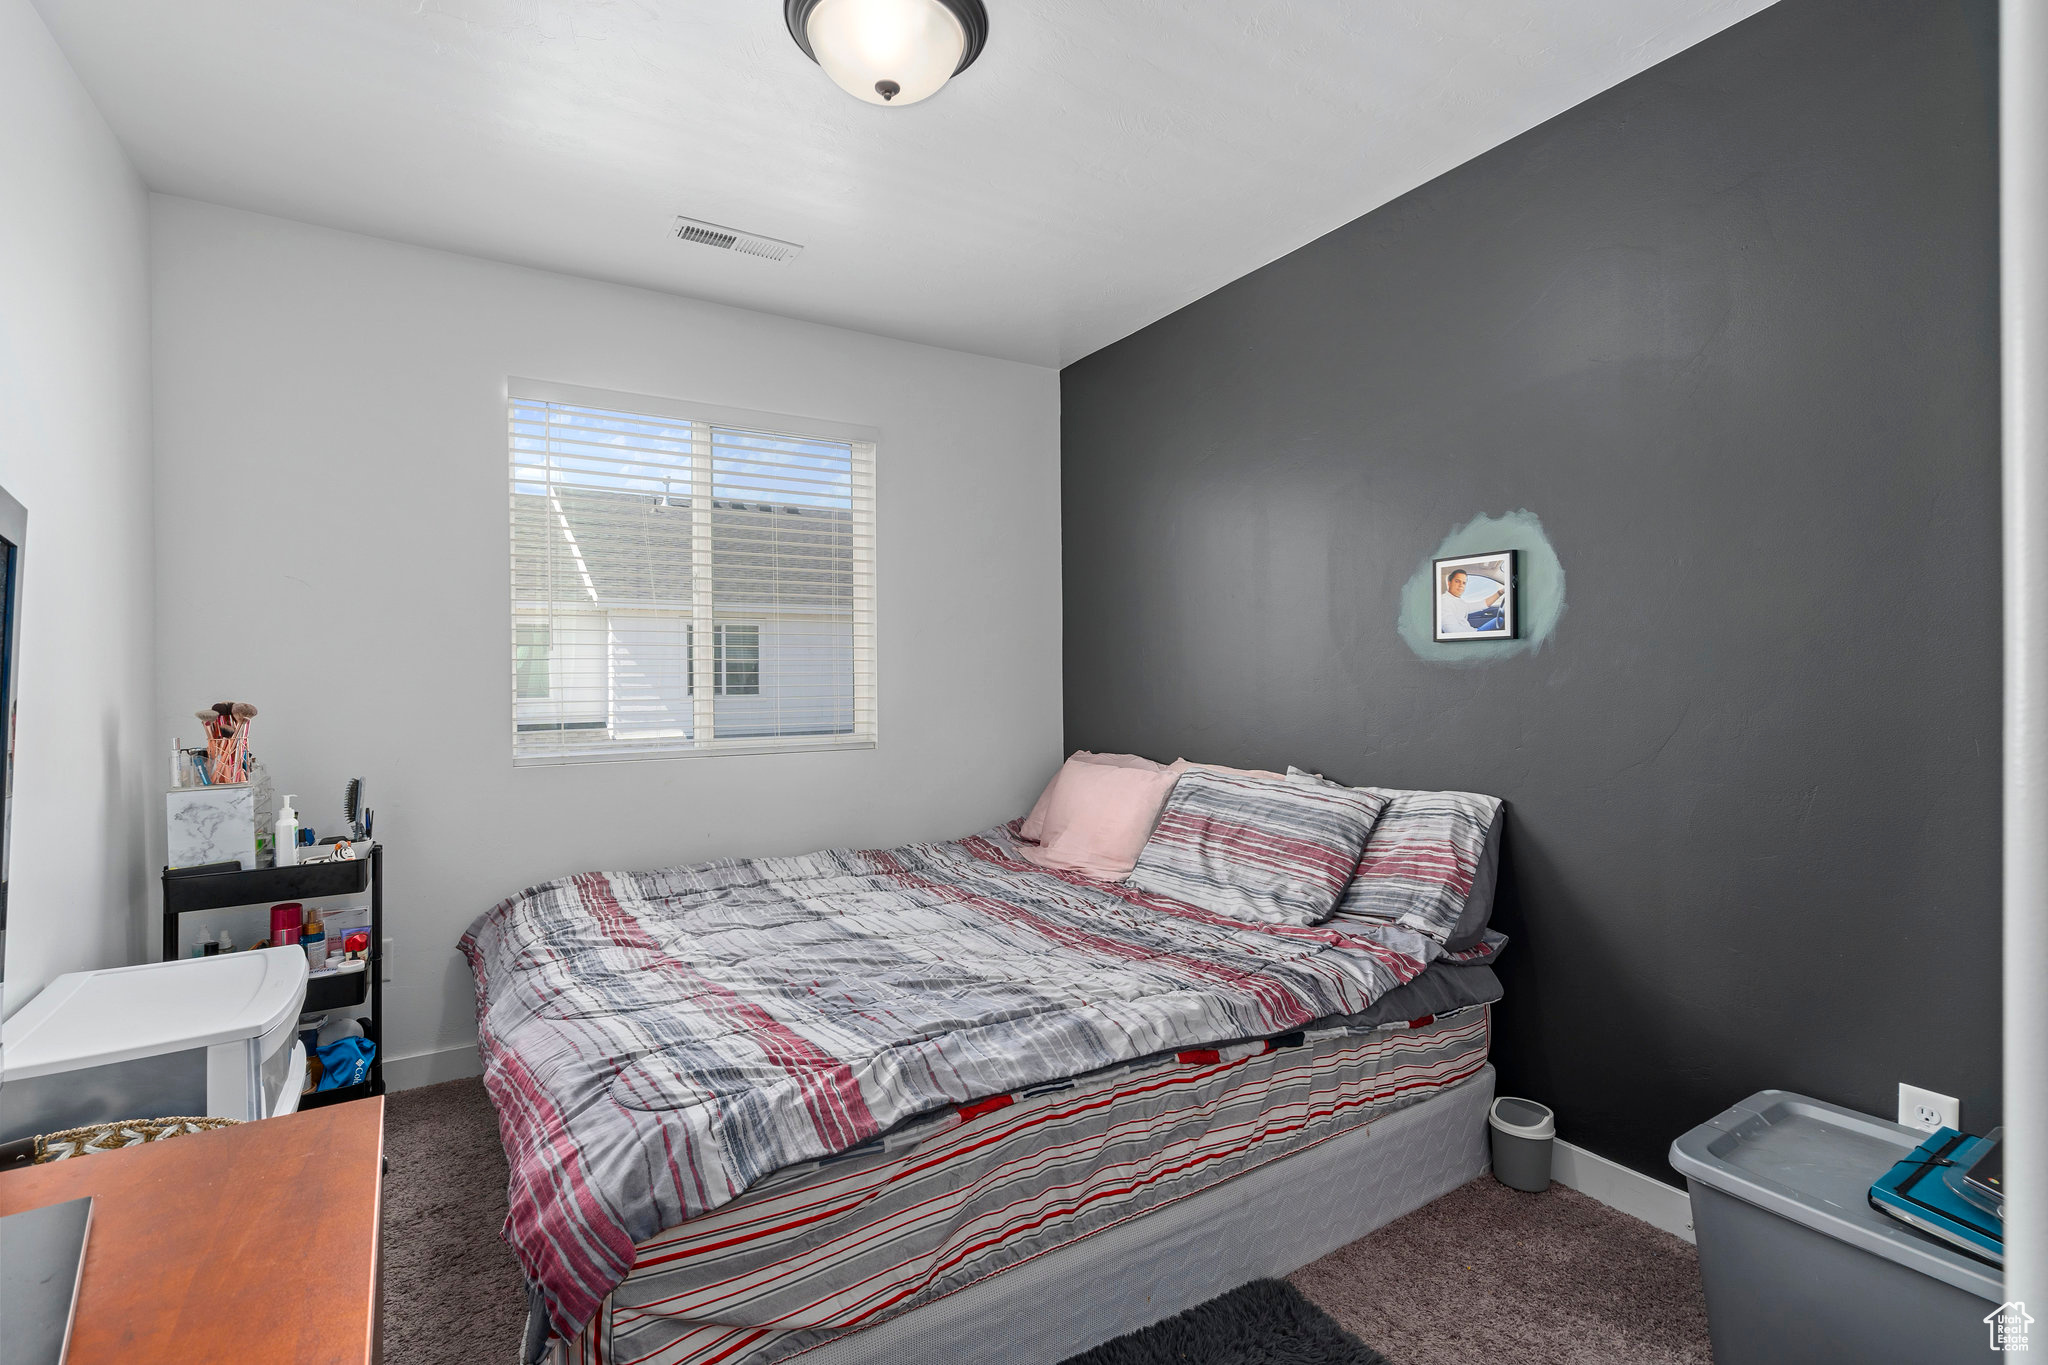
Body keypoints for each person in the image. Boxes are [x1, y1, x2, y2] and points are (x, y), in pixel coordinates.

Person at [1438, 567, 1506, 635]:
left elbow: (1481, 604)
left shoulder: (1457, 601)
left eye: (1464, 583)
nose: (1461, 585)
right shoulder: (1444, 602)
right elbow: (1452, 632)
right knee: (1501, 621)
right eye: (1457, 581)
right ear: (1449, 583)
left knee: (1500, 620)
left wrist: (1500, 592)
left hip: (1473, 632)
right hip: (1471, 636)